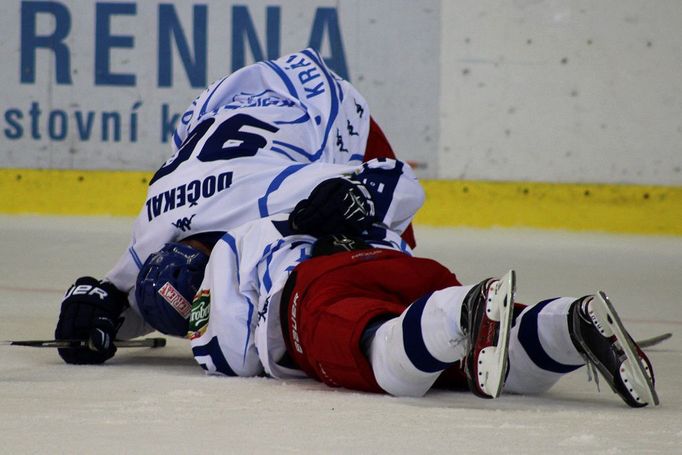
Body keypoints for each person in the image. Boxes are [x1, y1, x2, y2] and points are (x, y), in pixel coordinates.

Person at [180, 164, 658, 408]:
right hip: (410, 271)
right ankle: (569, 324)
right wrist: (359, 194)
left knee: (380, 353)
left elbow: (234, 354)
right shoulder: (307, 183)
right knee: (498, 359)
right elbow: (403, 182)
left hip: (322, 283)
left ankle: (461, 311)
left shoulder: (236, 241)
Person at [54, 48, 414, 365]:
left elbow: (400, 182)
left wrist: (359, 198)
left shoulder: (265, 194)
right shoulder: (152, 232)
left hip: (323, 106)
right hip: (222, 112)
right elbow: (120, 295)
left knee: (381, 255)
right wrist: (90, 313)